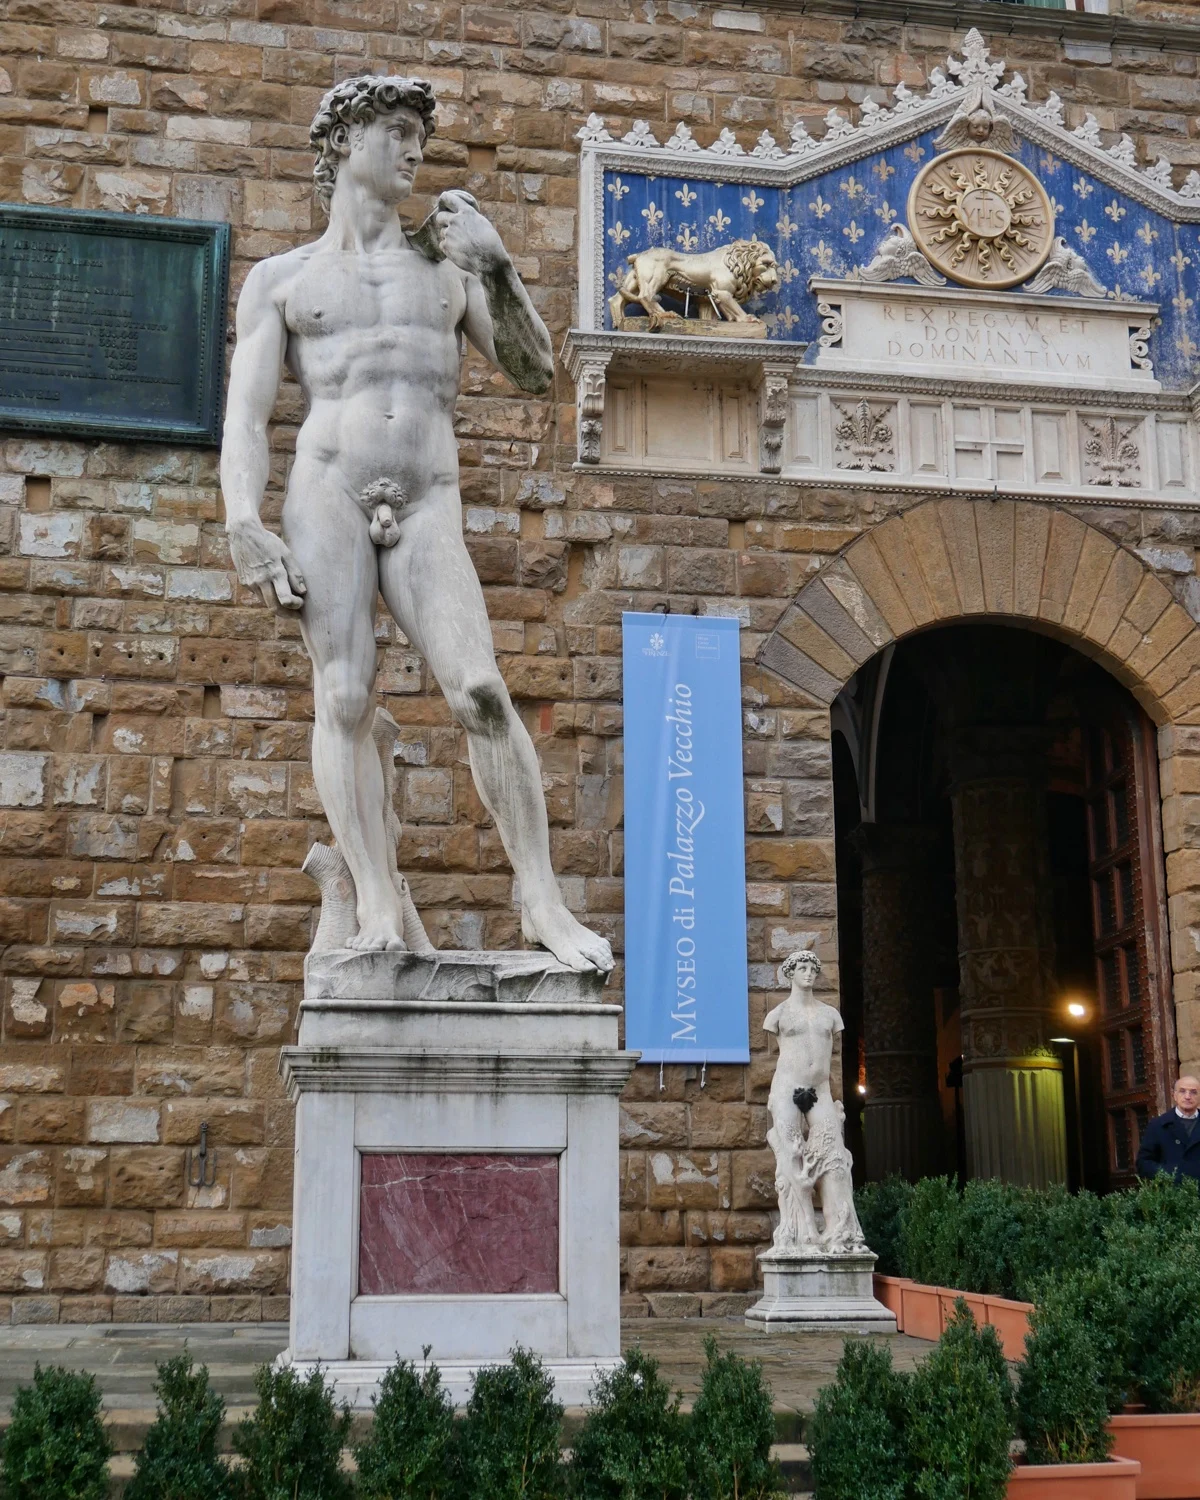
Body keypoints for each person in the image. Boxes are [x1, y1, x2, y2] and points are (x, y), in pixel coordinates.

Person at [219, 75, 612, 972]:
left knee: (480, 690)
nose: (412, 152)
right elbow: (244, 417)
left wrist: (501, 264)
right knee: (346, 697)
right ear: (345, 142)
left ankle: (541, 901)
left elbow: (533, 369)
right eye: (395, 132)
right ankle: (376, 901)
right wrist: (241, 517)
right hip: (327, 491)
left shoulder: (446, 267)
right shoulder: (284, 281)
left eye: (416, 137)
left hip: (429, 496)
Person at [1136, 1076, 1200, 1184]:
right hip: (1172, 1193)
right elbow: (1143, 1162)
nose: (1188, 1096)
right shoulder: (1157, 1125)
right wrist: (1168, 1174)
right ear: (1174, 1095)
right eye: (1182, 1091)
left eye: (1194, 1092)